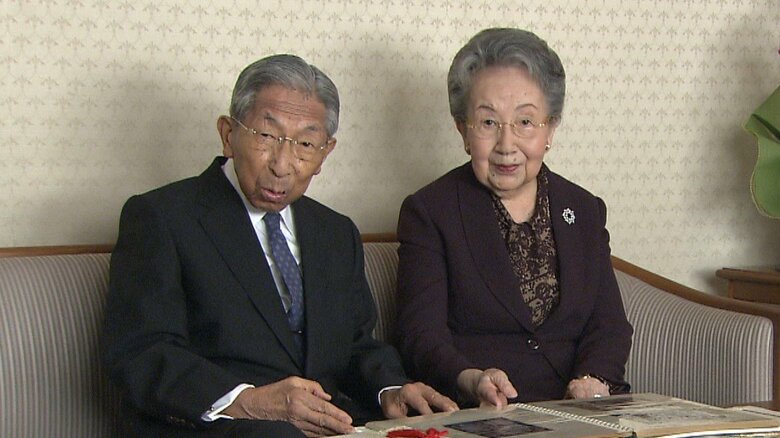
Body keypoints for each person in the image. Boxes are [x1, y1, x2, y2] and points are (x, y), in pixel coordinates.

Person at [102, 54, 457, 438]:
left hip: (326, 427)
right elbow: (142, 352)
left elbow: (355, 346)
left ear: (324, 153)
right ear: (228, 134)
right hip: (215, 428)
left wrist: (391, 388)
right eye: (267, 137)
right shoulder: (162, 217)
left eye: (305, 143)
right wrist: (249, 401)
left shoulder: (335, 232)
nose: (283, 164)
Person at [394, 28, 633, 409]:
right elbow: (420, 336)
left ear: (550, 129)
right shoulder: (431, 211)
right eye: (488, 123)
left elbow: (609, 324)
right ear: (463, 130)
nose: (506, 146)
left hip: (582, 411)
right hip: (485, 412)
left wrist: (593, 380)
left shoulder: (583, 208)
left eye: (525, 122)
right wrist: (470, 378)